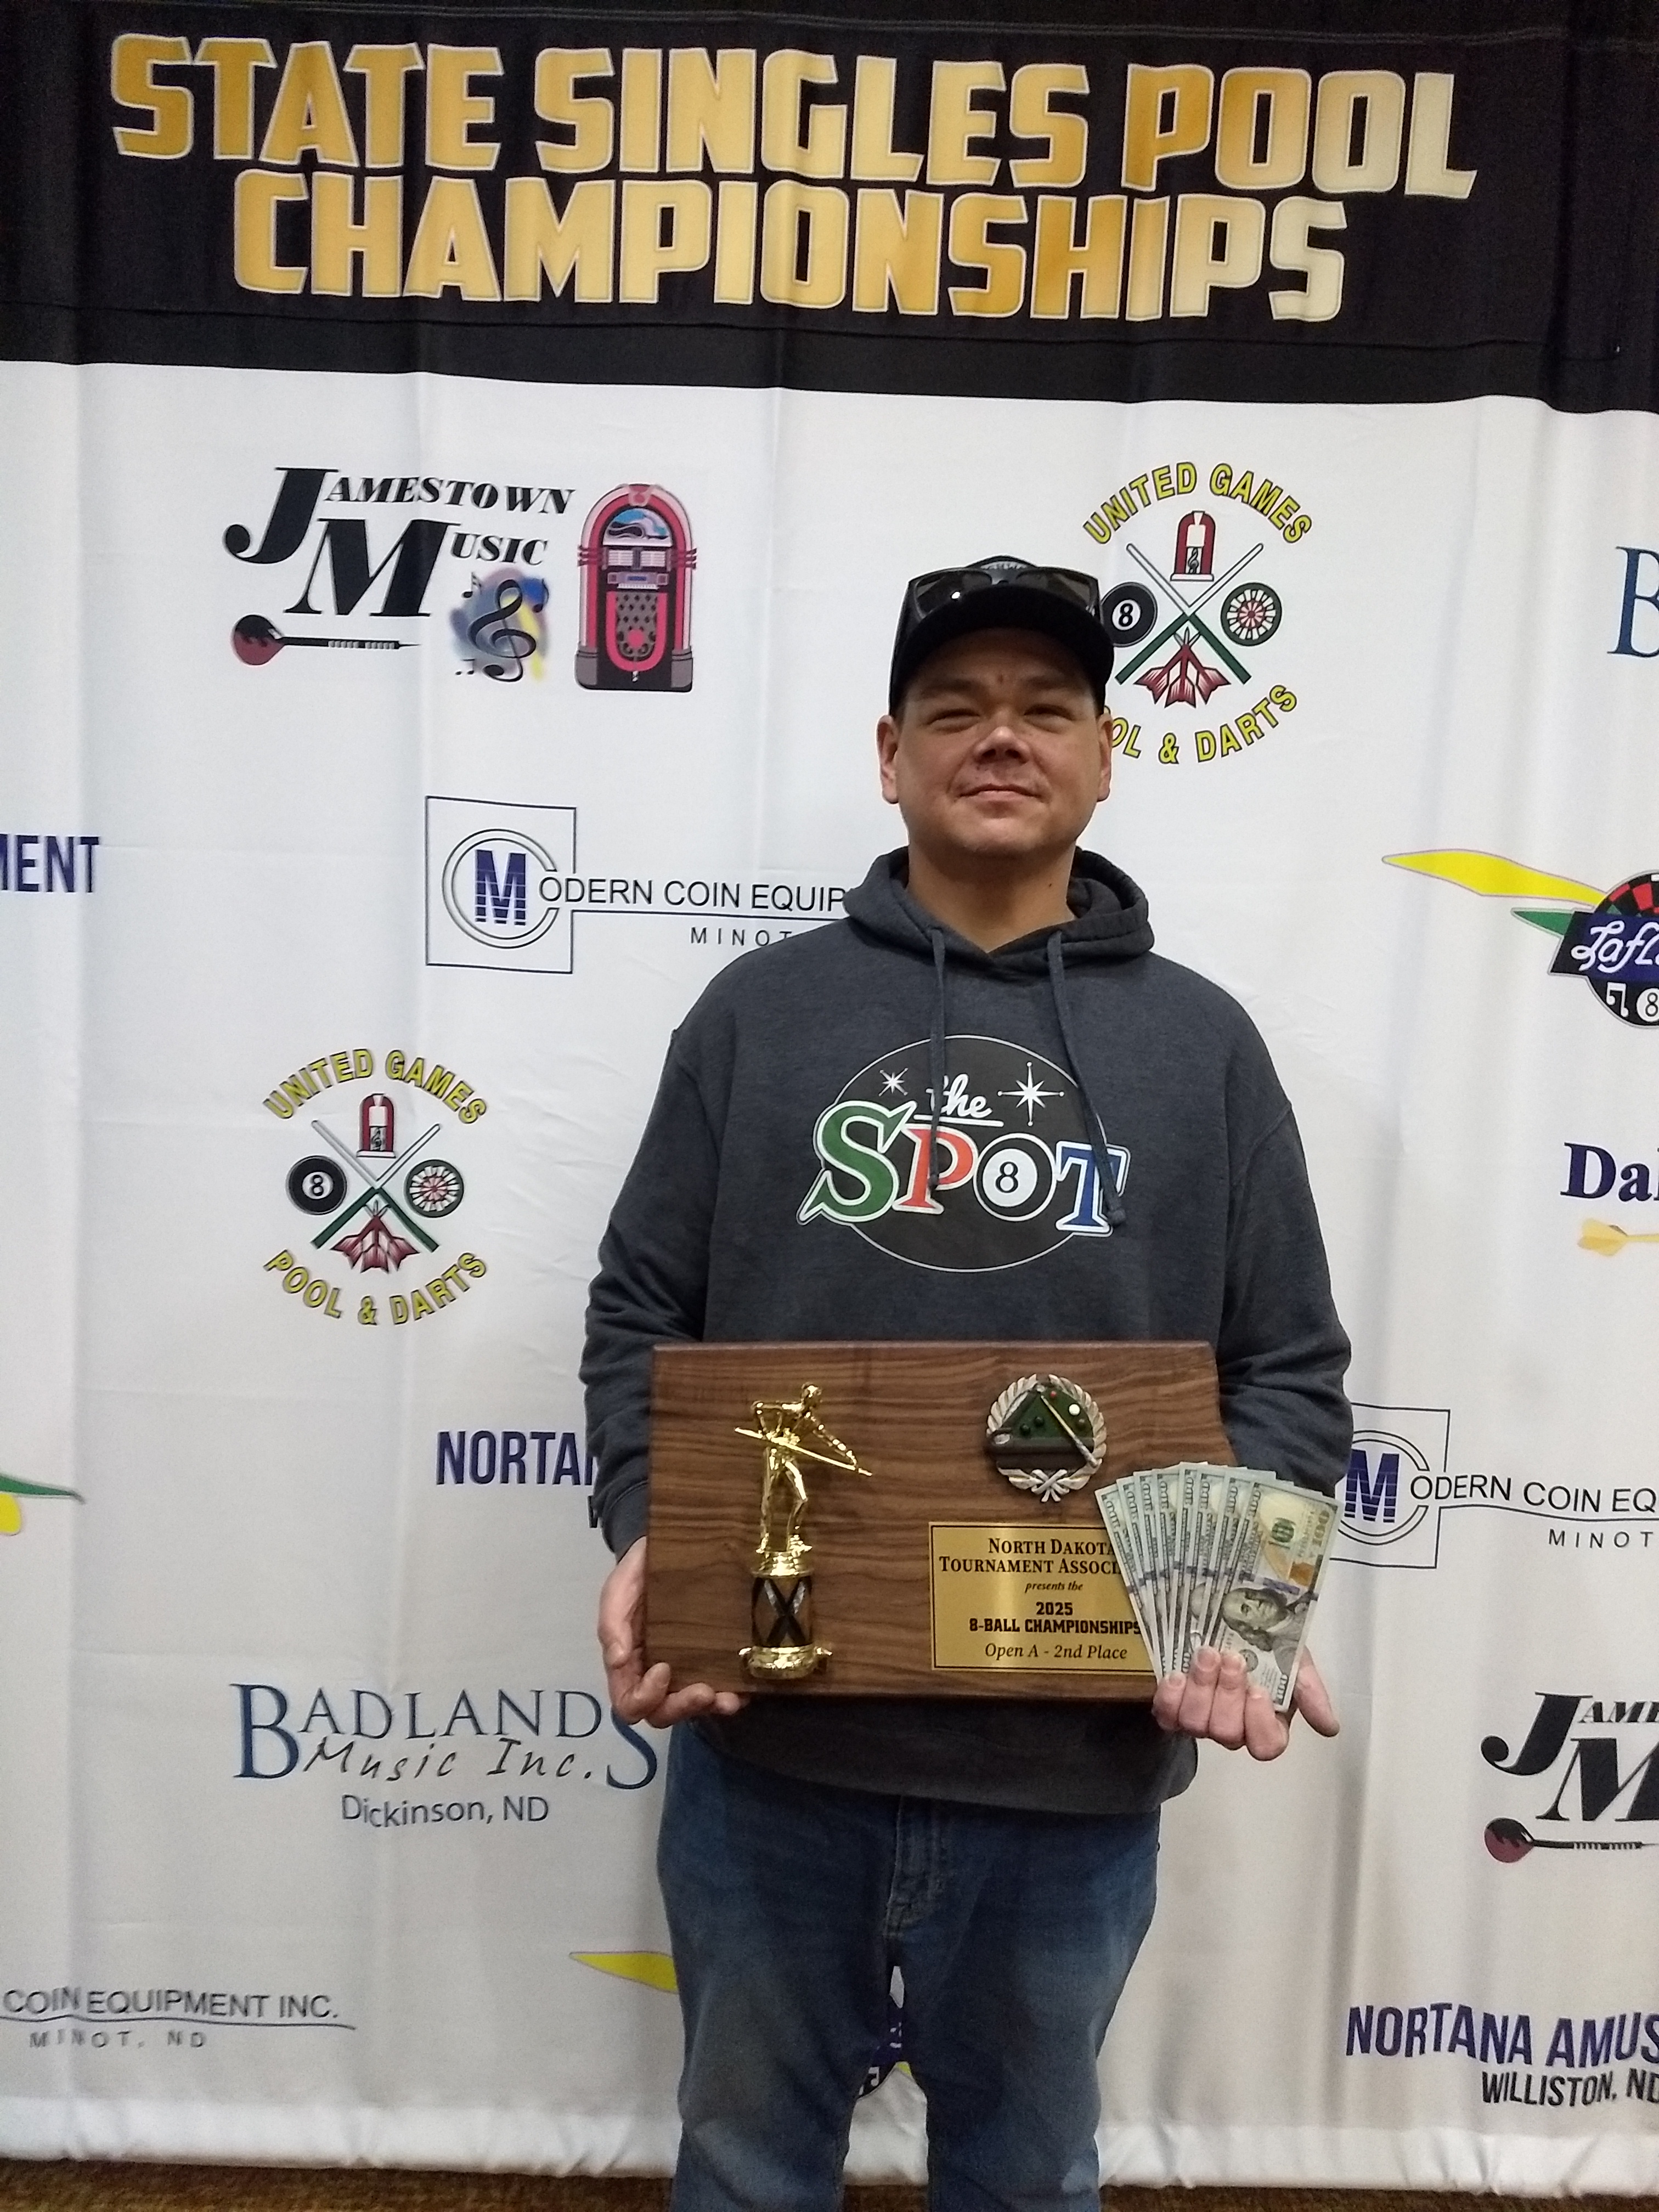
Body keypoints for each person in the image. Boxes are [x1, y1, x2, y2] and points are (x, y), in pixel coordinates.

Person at [583, 556, 1351, 2212]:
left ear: (1106, 754)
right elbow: (643, 1308)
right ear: (891, 755)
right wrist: (657, 1529)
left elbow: (1286, 1362)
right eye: (955, 709)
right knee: (744, 2166)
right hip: (777, 1754)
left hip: (1068, 1773)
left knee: (1024, 2176)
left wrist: (1243, 1600)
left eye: (1046, 708)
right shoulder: (758, 1016)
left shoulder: (1206, 1046)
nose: (1001, 736)